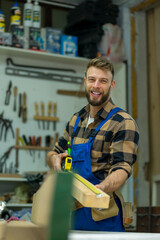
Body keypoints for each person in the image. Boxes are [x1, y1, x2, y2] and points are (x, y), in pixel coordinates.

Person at [47, 57, 139, 232]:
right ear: (85, 82)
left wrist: (103, 187)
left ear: (112, 85)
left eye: (103, 81)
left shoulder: (122, 122)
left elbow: (122, 167)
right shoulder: (76, 119)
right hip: (72, 213)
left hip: (102, 214)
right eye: (92, 79)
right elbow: (54, 153)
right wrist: (55, 161)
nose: (96, 86)